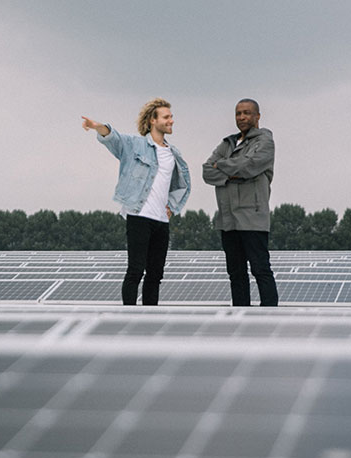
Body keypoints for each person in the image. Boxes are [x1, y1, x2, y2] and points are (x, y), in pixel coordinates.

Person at [81, 98, 191, 305]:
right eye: (166, 117)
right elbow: (114, 138)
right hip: (139, 216)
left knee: (156, 274)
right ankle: (128, 315)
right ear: (153, 120)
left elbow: (183, 184)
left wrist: (173, 207)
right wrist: (97, 126)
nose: (171, 121)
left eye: (171, 117)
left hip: (161, 221)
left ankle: (149, 318)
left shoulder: (173, 153)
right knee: (135, 271)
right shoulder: (135, 145)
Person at [203, 98, 278, 306]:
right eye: (238, 113)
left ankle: (270, 317)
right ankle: (240, 317)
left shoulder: (264, 141)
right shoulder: (227, 143)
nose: (242, 117)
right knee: (236, 273)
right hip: (228, 219)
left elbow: (251, 165)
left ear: (257, 116)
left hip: (252, 217)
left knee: (260, 269)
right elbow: (207, 171)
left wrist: (223, 168)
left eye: (246, 113)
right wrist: (233, 173)